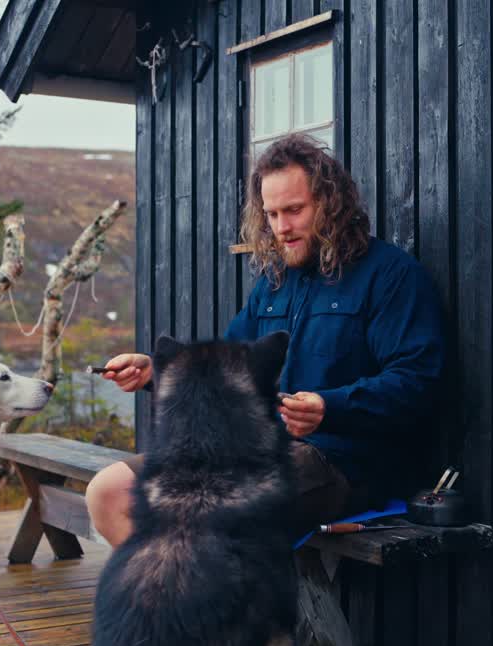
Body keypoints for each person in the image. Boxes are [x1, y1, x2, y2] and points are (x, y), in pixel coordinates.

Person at [85, 133, 445, 546]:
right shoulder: (274, 285)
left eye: (293, 211)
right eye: (271, 214)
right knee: (110, 492)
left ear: (332, 203)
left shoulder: (392, 276)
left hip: (345, 462)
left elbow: (418, 381)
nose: (281, 228)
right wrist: (154, 371)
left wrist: (331, 406)